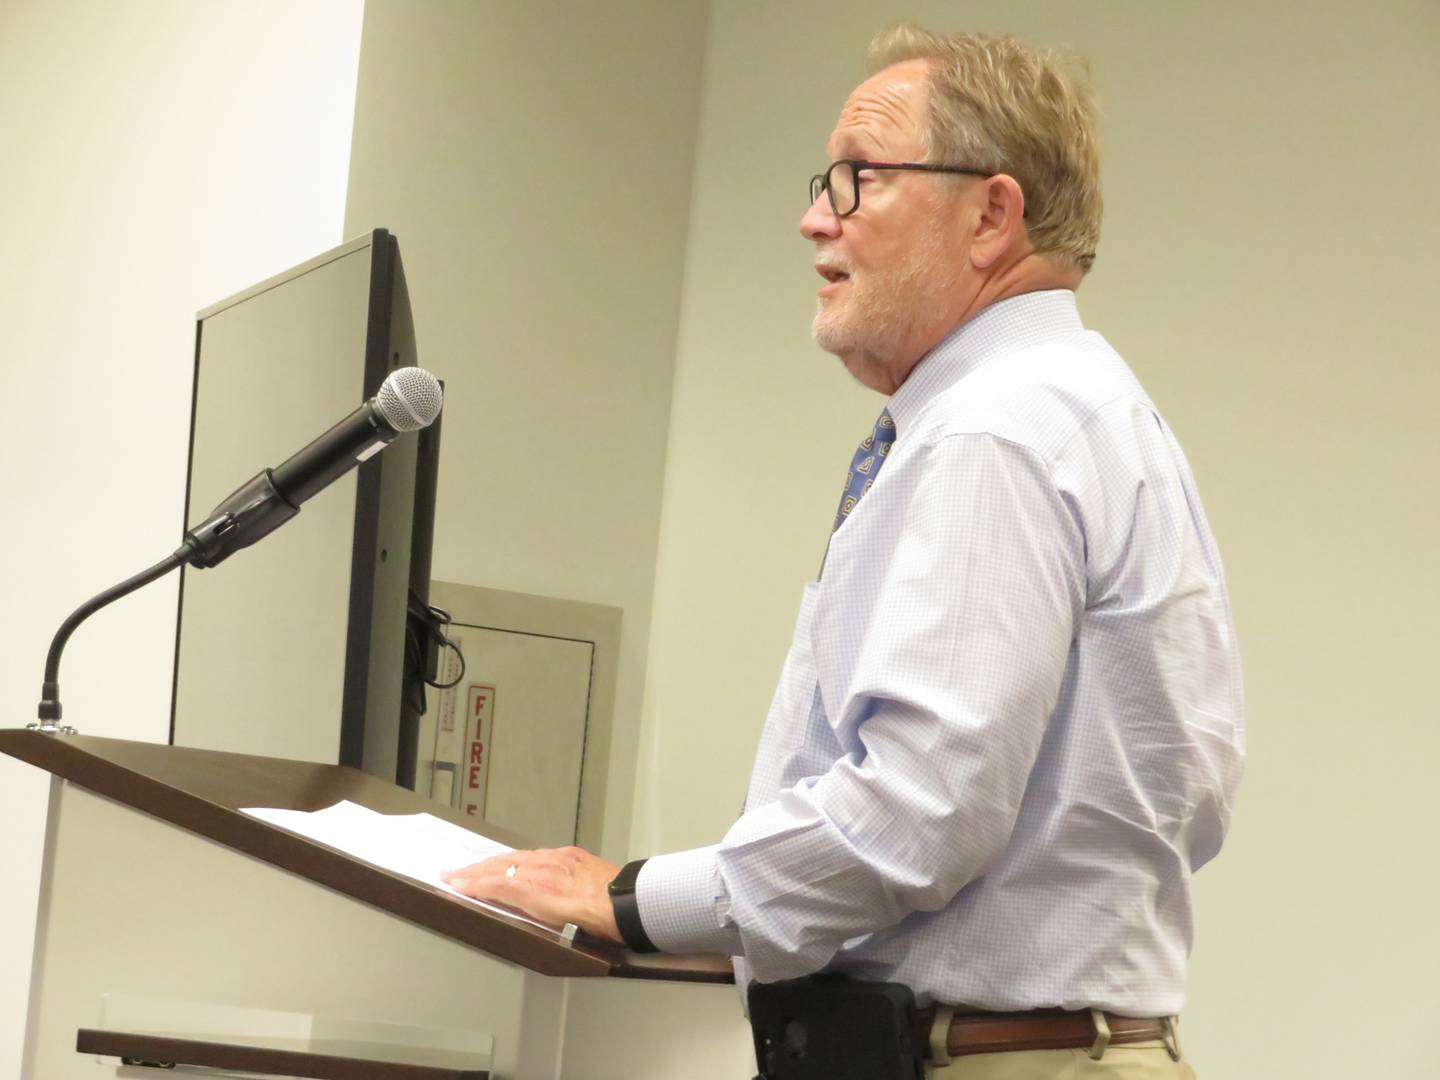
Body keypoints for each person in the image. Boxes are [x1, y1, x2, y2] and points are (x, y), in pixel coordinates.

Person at [443, 24, 1244, 1078]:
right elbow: (1200, 793)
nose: (814, 216)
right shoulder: (1087, 408)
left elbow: (920, 812)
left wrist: (630, 897)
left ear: (990, 216)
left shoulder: (993, 431)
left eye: (860, 178)